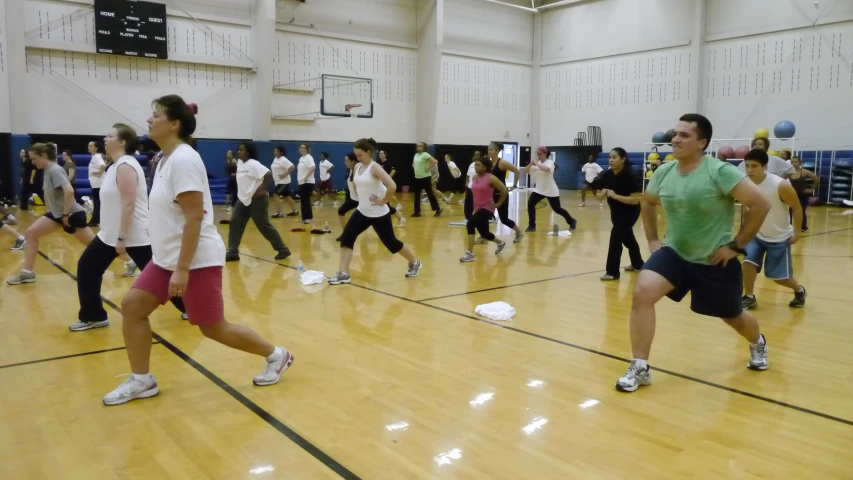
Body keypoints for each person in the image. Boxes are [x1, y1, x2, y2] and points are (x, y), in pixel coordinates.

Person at [103, 95, 293, 406]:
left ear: (174, 124)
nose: (149, 120)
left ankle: (276, 355)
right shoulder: (164, 159)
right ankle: (141, 379)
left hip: (195, 260)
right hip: (166, 257)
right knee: (133, 307)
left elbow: (195, 215)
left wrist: (181, 268)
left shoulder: (184, 160)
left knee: (212, 327)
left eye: (156, 115)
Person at [615, 114, 771, 393]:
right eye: (675, 134)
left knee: (734, 317)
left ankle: (757, 342)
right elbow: (648, 203)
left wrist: (735, 246)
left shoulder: (719, 171)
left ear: (702, 142)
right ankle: (640, 366)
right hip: (674, 253)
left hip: (714, 260)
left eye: (685, 135)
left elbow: (759, 205)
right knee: (642, 293)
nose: (675, 139)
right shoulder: (663, 172)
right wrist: (652, 239)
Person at [72, 123, 188, 332]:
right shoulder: (115, 165)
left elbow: (129, 203)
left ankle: (191, 307)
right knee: (88, 268)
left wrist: (122, 238)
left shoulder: (126, 165)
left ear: (123, 142)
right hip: (110, 234)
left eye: (110, 135)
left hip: (133, 234)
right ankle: (93, 315)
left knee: (161, 278)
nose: (105, 139)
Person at [327, 138, 422, 285]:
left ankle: (414, 262)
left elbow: (392, 186)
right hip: (362, 211)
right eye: (356, 155)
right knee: (347, 238)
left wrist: (384, 201)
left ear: (368, 152)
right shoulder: (357, 167)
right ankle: (343, 273)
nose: (357, 158)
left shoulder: (375, 167)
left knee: (392, 243)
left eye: (360, 155)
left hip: (379, 214)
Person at [7, 143, 95, 285]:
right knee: (31, 233)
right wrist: (49, 213)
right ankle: (27, 273)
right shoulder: (47, 170)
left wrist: (66, 215)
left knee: (96, 246)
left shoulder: (55, 170)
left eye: (35, 159)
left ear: (44, 155)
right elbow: (51, 196)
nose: (33, 162)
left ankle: (129, 260)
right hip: (57, 215)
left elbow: (69, 191)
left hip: (72, 215)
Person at [740, 149, 807, 309]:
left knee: (778, 278)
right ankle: (749, 296)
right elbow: (747, 209)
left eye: (754, 166)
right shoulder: (745, 184)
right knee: (748, 263)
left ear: (765, 166)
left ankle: (799, 290)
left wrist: (797, 232)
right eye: (747, 166)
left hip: (779, 237)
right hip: (756, 234)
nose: (749, 170)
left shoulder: (780, 185)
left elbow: (797, 208)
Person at [225, 141, 292, 262]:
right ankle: (233, 252)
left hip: (257, 199)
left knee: (263, 225)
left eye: (242, 150)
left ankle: (282, 249)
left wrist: (262, 189)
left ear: (248, 152)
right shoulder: (240, 163)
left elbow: (267, 174)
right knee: (235, 223)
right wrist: (230, 156)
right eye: (239, 149)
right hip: (243, 199)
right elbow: (233, 158)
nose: (239, 152)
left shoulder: (253, 164)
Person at [592, 148, 644, 281]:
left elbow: (635, 200)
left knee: (616, 238)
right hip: (615, 213)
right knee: (628, 238)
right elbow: (598, 196)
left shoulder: (631, 175)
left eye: (614, 157)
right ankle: (638, 264)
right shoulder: (606, 175)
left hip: (630, 212)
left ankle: (612, 272)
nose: (611, 160)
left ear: (623, 159)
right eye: (610, 157)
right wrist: (601, 195)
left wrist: (615, 196)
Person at [459, 156, 508, 262]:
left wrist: (498, 204)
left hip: (487, 208)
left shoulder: (491, 178)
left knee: (470, 223)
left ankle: (469, 252)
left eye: (478, 165)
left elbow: (504, 191)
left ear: (485, 167)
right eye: (475, 165)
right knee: (485, 233)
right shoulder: (475, 177)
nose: (476, 167)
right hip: (478, 208)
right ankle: (501, 243)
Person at [523, 146, 577, 233]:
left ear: (545, 154)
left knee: (557, 209)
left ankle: (572, 221)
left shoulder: (550, 163)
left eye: (540, 154)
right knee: (530, 204)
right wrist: (531, 164)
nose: (538, 155)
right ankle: (532, 226)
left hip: (551, 190)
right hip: (539, 190)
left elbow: (546, 169)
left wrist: (536, 164)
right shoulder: (537, 164)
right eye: (537, 154)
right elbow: (525, 171)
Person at [485, 141, 523, 243]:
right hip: (489, 194)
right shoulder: (487, 163)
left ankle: (519, 232)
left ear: (497, 151)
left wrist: (514, 185)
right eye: (488, 149)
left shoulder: (502, 163)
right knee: (484, 216)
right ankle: (484, 236)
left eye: (491, 149)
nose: (489, 151)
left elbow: (517, 171)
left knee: (504, 219)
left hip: (501, 194)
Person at [411, 142, 442, 217]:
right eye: (418, 145)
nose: (418, 147)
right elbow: (413, 163)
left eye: (420, 146)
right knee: (417, 195)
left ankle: (438, 209)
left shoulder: (425, 154)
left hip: (425, 178)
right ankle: (417, 212)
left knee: (430, 194)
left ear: (424, 147)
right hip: (417, 178)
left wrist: (428, 167)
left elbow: (435, 161)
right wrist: (415, 167)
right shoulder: (416, 155)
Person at [788, 156, 819, 232]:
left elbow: (816, 179)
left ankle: (803, 227)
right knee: (789, 212)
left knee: (801, 211)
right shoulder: (788, 172)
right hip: (791, 195)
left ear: (800, 163)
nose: (794, 163)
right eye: (792, 162)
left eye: (796, 162)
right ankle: (788, 227)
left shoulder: (804, 172)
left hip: (802, 195)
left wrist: (811, 189)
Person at [270, 146, 298, 218]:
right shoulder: (275, 159)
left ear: (281, 152)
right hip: (278, 181)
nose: (275, 152)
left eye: (276, 151)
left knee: (275, 194)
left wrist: (285, 174)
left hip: (283, 182)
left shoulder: (283, 159)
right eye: (274, 151)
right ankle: (294, 211)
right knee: (286, 196)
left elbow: (292, 167)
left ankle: (279, 212)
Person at [87, 141, 106, 226]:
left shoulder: (97, 156)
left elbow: (103, 165)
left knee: (98, 203)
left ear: (96, 148)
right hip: (95, 184)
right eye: (89, 146)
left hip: (99, 184)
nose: (89, 147)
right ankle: (96, 220)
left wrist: (99, 173)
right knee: (97, 203)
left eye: (91, 146)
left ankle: (95, 220)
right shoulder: (94, 157)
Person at [296, 143, 315, 224]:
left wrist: (306, 177)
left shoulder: (309, 157)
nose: (302, 149)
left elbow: (313, 167)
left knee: (306, 200)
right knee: (303, 200)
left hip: (308, 182)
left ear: (307, 149)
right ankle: (304, 217)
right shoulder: (301, 158)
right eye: (301, 147)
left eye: (304, 148)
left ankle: (309, 218)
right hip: (301, 182)